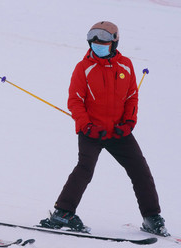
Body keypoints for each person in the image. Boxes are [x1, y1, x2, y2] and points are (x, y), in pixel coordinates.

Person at [40, 21, 169, 236]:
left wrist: (128, 123)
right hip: (92, 131)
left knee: (140, 169)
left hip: (119, 132)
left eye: (104, 42)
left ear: (115, 43)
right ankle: (62, 212)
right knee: (85, 168)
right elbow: (75, 101)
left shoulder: (126, 65)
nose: (98, 45)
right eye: (95, 41)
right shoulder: (83, 68)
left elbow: (131, 97)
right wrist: (86, 126)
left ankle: (152, 217)